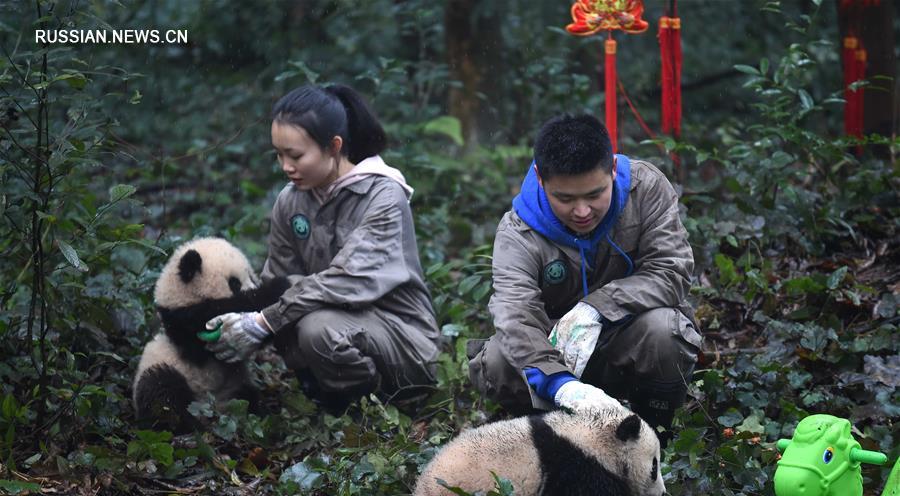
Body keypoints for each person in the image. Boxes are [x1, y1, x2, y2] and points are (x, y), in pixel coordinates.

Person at [207, 84, 440, 409]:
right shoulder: (291, 201)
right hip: (335, 324)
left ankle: (371, 406)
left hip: (404, 343)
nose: (285, 166)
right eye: (279, 154)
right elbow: (278, 281)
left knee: (315, 328)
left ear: (334, 146)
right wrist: (233, 319)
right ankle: (323, 389)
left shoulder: (384, 196)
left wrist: (264, 321)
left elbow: (347, 279)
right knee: (284, 301)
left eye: (296, 155)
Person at [469, 113, 701, 437]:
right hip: (555, 350)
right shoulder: (517, 232)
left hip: (625, 338)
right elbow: (515, 315)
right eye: (564, 198)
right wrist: (560, 384)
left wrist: (597, 307)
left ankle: (655, 431)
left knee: (665, 330)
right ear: (540, 178)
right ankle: (544, 432)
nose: (582, 211)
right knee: (496, 359)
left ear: (614, 170)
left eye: (594, 195)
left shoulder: (645, 189)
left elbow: (670, 271)